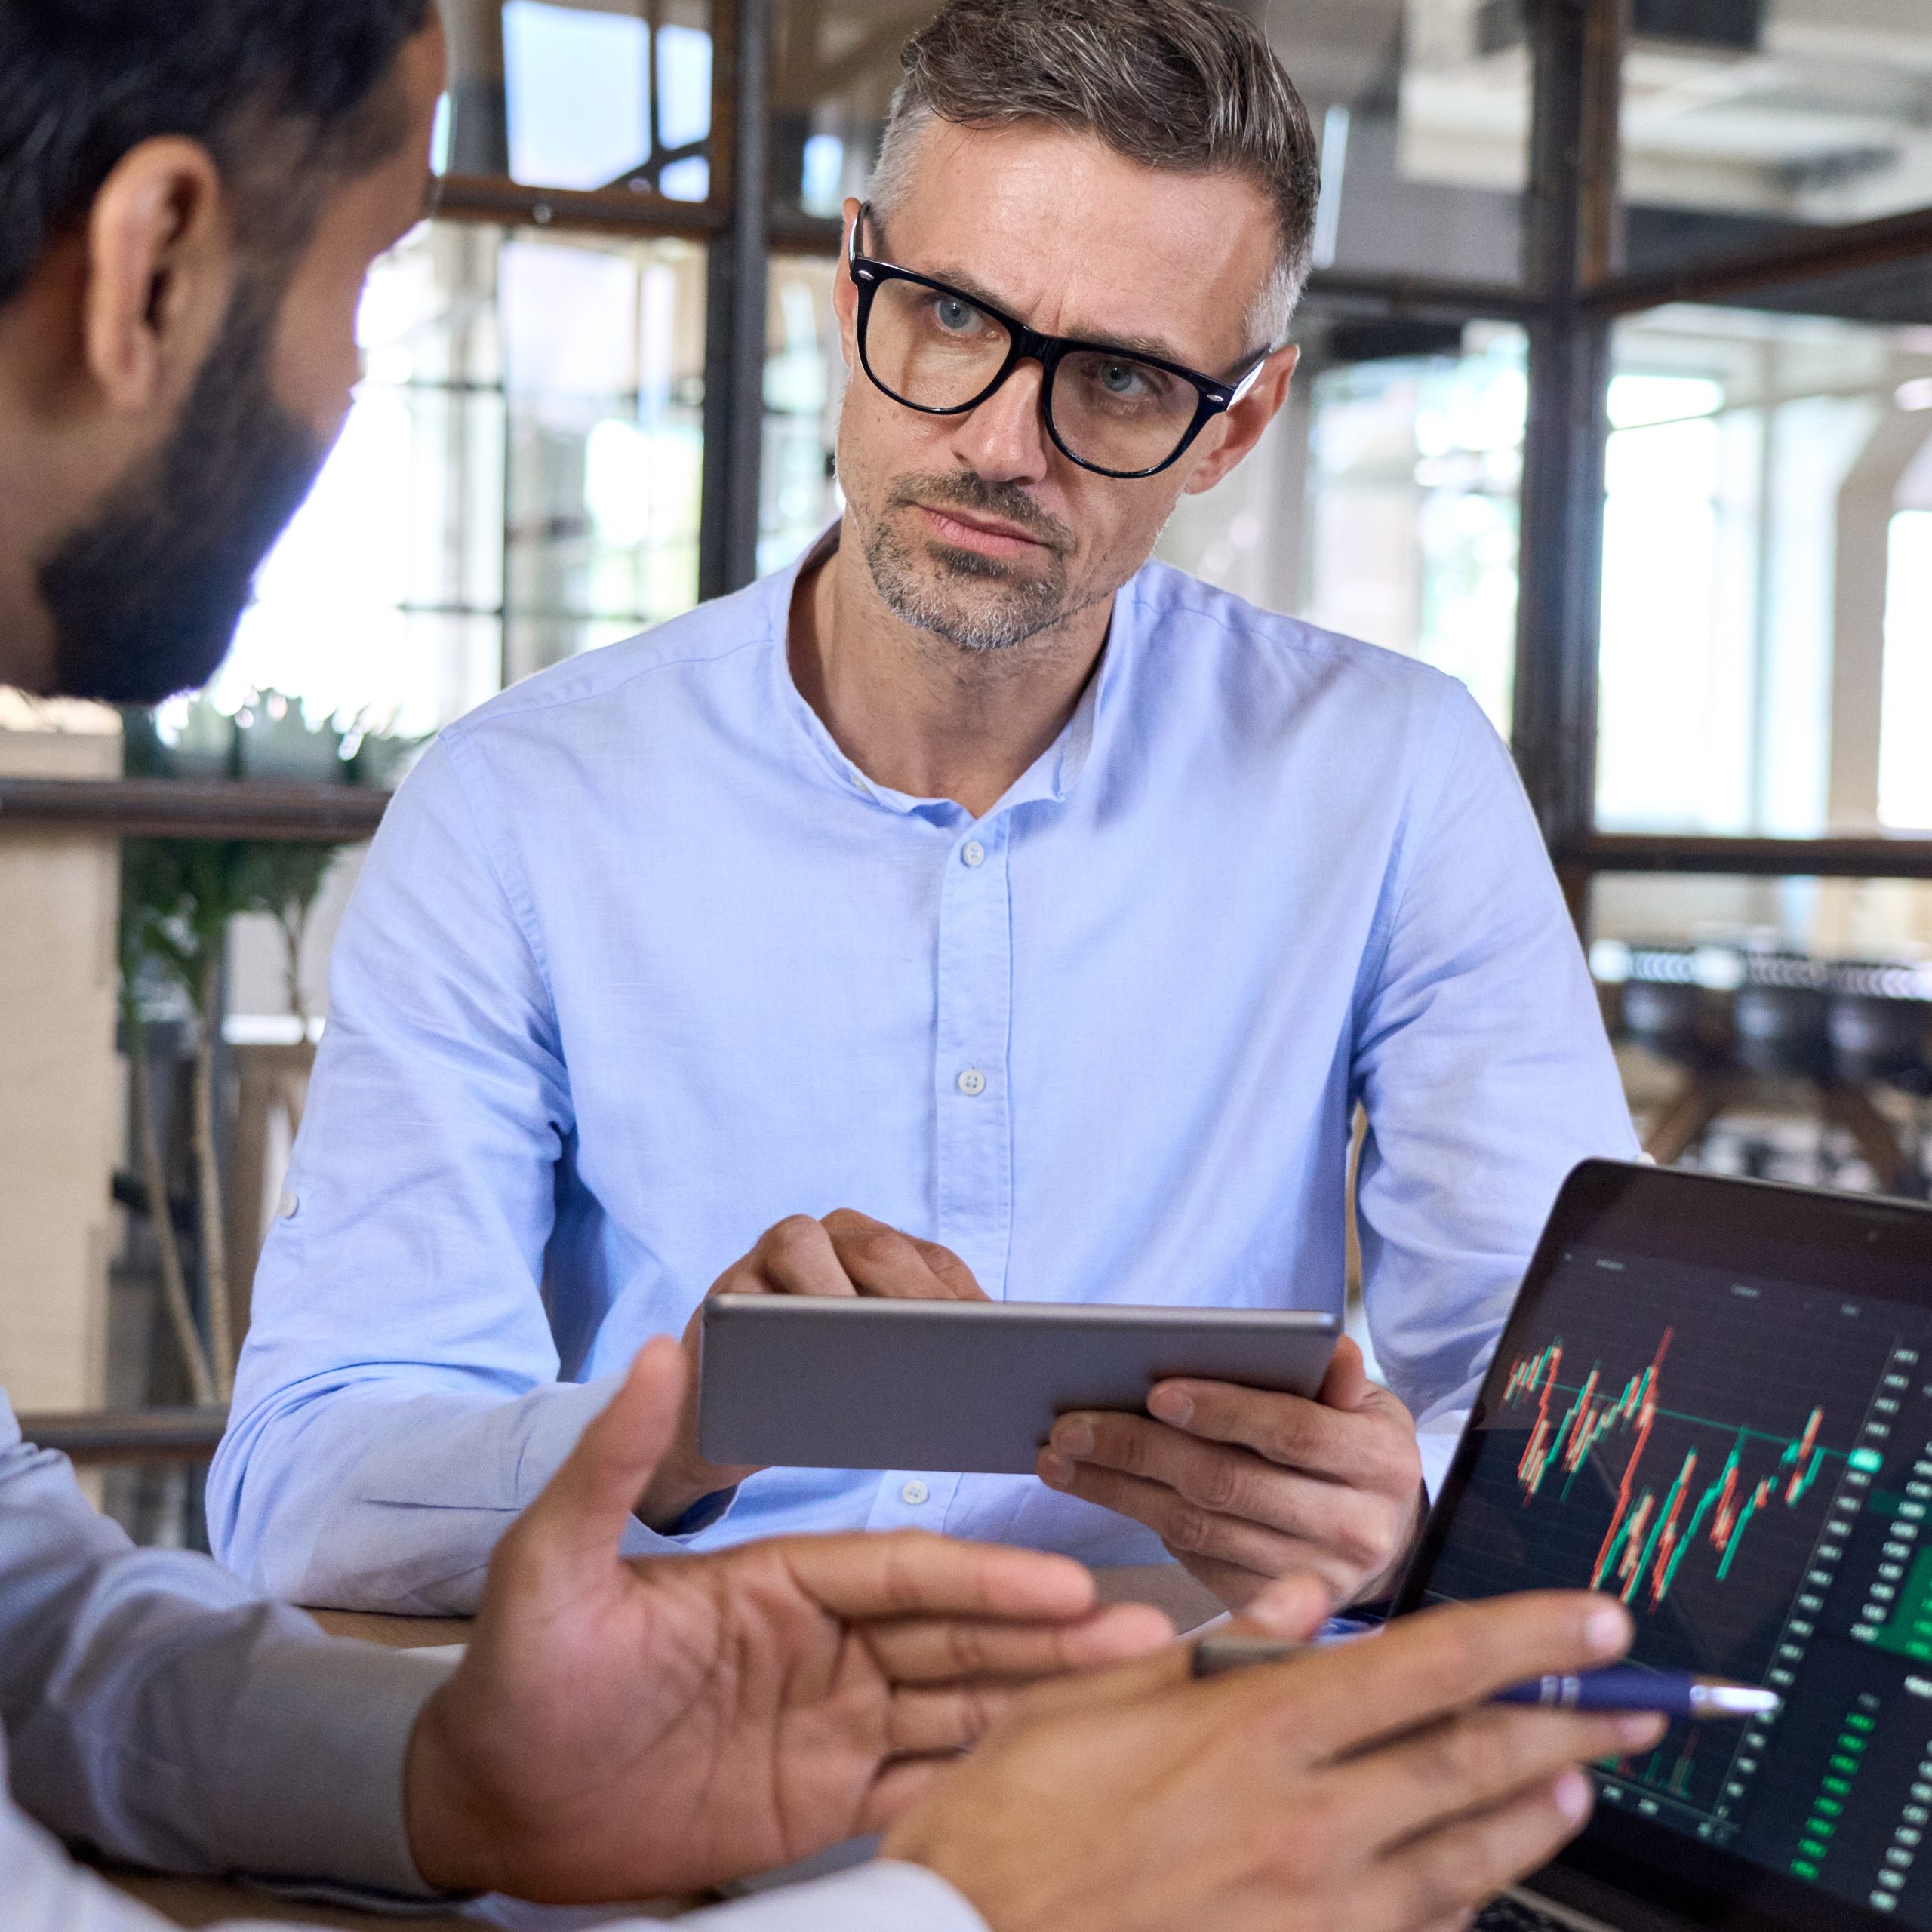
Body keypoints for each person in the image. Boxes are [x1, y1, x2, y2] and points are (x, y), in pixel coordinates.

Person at [0, 3, 1664, 1927]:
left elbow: (1584, 1460)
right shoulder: (522, 801)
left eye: (1118, 379)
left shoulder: (1388, 774)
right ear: (846, 279)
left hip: (1213, 1826)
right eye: (949, 318)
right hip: (650, 1823)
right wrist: (681, 1426)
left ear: (1245, 417)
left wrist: (1411, 1527)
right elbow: (302, 1484)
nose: (998, 440)